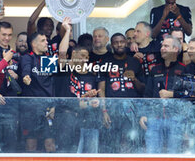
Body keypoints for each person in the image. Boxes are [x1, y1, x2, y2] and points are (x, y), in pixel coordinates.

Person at [57, 17, 102, 153]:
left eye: (86, 57)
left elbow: (95, 97)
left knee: (90, 155)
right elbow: (61, 54)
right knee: (68, 154)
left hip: (89, 121)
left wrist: (93, 100)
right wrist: (68, 30)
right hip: (69, 120)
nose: (84, 59)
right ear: (73, 55)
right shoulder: (65, 71)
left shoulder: (92, 75)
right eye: (81, 56)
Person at [140, 35, 186, 153]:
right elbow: (148, 94)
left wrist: (172, 94)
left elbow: (189, 95)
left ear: (176, 49)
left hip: (176, 119)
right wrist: (144, 114)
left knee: (174, 154)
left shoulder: (185, 69)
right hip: (155, 118)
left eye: (166, 46)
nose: (162, 48)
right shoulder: (155, 69)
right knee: (152, 153)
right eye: (162, 46)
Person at [99, 33, 144, 153]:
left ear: (126, 43)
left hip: (131, 110)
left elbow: (143, 90)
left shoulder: (134, 62)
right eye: (116, 42)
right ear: (112, 45)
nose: (119, 44)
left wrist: (134, 79)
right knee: (112, 144)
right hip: (112, 109)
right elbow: (101, 89)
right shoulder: (104, 63)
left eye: (122, 42)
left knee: (131, 143)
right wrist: (104, 111)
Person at [20, 32, 55, 153]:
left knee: (50, 144)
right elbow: (26, 69)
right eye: (43, 40)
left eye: (46, 40)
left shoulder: (48, 59)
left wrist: (53, 105)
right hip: (31, 108)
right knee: (31, 144)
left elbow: (52, 84)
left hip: (47, 107)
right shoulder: (27, 57)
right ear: (33, 44)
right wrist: (26, 77)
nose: (47, 42)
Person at [0, 22, 21, 152]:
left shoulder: (16, 55)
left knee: (11, 140)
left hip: (12, 102)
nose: (7, 38)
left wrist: (17, 77)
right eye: (4, 34)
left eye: (10, 35)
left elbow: (25, 81)